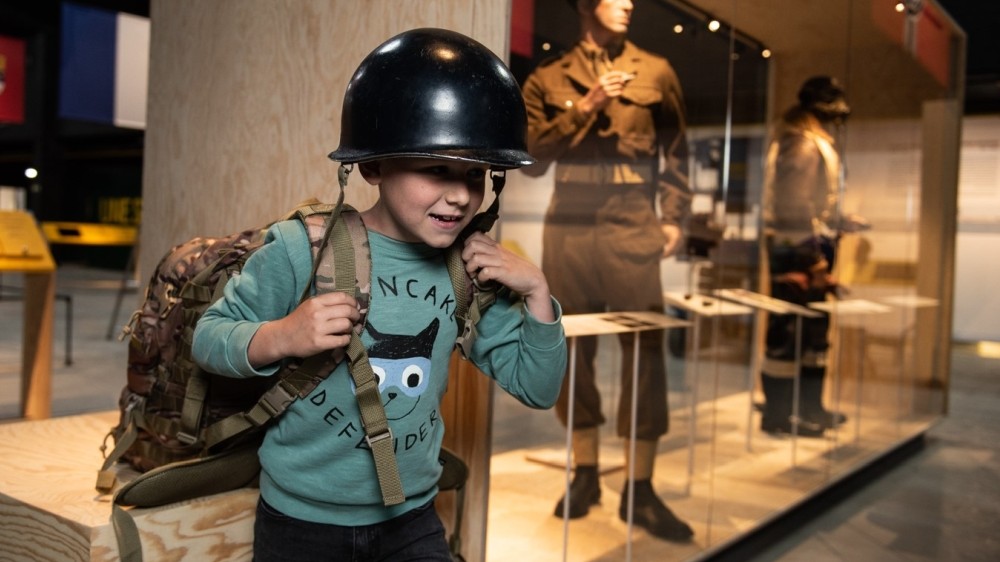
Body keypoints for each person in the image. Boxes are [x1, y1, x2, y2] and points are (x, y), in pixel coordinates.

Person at [192, 28, 567, 561]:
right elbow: (208, 339)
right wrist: (281, 336)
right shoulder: (305, 248)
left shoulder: (467, 271)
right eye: (436, 168)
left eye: (475, 174)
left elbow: (538, 388)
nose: (460, 195)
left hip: (411, 517)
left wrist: (537, 294)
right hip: (301, 520)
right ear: (372, 165)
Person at [520, 0, 693, 542]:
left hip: (631, 221)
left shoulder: (656, 71)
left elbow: (677, 151)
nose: (628, 4)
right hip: (569, 224)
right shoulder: (548, 78)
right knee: (572, 352)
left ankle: (640, 489)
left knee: (646, 353)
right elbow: (531, 155)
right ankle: (587, 472)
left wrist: (674, 218)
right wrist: (586, 106)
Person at [759, 75, 867, 436]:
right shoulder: (802, 143)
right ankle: (779, 413)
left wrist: (839, 221)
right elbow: (793, 205)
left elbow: (814, 203)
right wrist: (814, 261)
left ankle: (808, 408)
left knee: (812, 332)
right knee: (789, 331)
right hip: (798, 252)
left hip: (806, 246)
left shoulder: (810, 141)